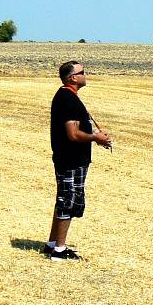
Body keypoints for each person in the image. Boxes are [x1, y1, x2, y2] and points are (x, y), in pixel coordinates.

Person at [44, 61, 112, 261]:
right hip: (70, 159)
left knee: (64, 199)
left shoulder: (67, 97)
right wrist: (95, 138)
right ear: (73, 78)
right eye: (82, 72)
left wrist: (95, 138)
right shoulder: (68, 100)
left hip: (71, 158)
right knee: (68, 201)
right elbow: (72, 134)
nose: (85, 74)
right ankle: (59, 250)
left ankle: (52, 243)